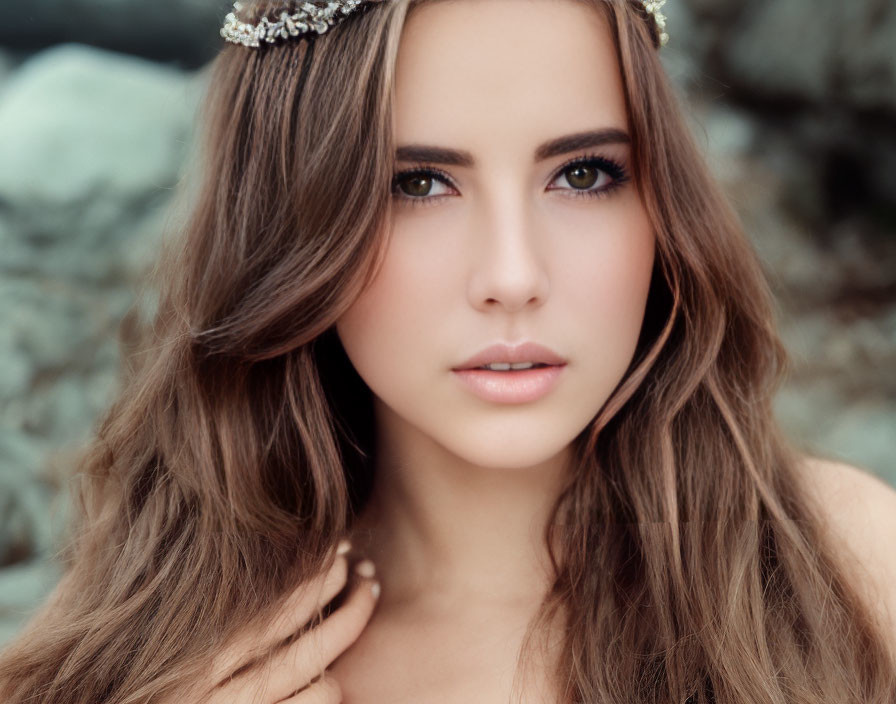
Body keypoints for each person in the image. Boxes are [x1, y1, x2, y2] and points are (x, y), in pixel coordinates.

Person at [1, 0, 894, 702]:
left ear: (664, 207)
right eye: (417, 184)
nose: (512, 275)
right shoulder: (148, 656)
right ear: (287, 232)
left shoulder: (847, 567)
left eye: (583, 174)